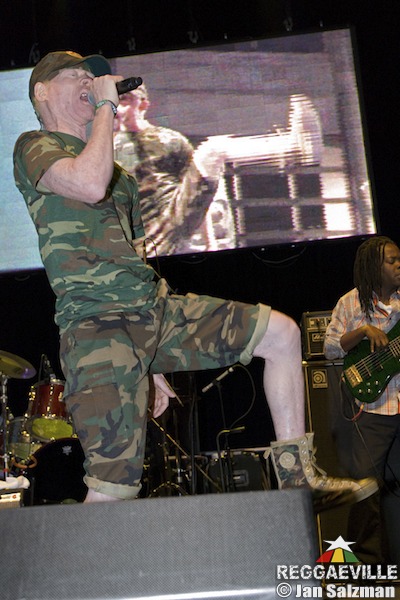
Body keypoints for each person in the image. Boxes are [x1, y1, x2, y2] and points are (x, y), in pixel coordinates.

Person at [13, 50, 377, 507]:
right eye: (75, 76)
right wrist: (106, 105)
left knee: (282, 335)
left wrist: (154, 361)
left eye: (92, 78)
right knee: (112, 491)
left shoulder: (123, 178)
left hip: (154, 312)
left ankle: (296, 479)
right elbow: (88, 184)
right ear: (42, 92)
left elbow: (135, 258)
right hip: (97, 327)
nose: (88, 83)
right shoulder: (35, 146)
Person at [324, 235, 400, 564]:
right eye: (392, 261)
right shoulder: (350, 303)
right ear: (374, 267)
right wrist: (363, 331)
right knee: (367, 489)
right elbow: (329, 348)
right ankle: (365, 564)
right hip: (373, 409)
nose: (399, 265)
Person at [113, 83, 227, 256]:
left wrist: (210, 243)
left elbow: (195, 193)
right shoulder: (108, 150)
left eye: (124, 100)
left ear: (143, 104)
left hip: (173, 219)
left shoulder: (171, 141)